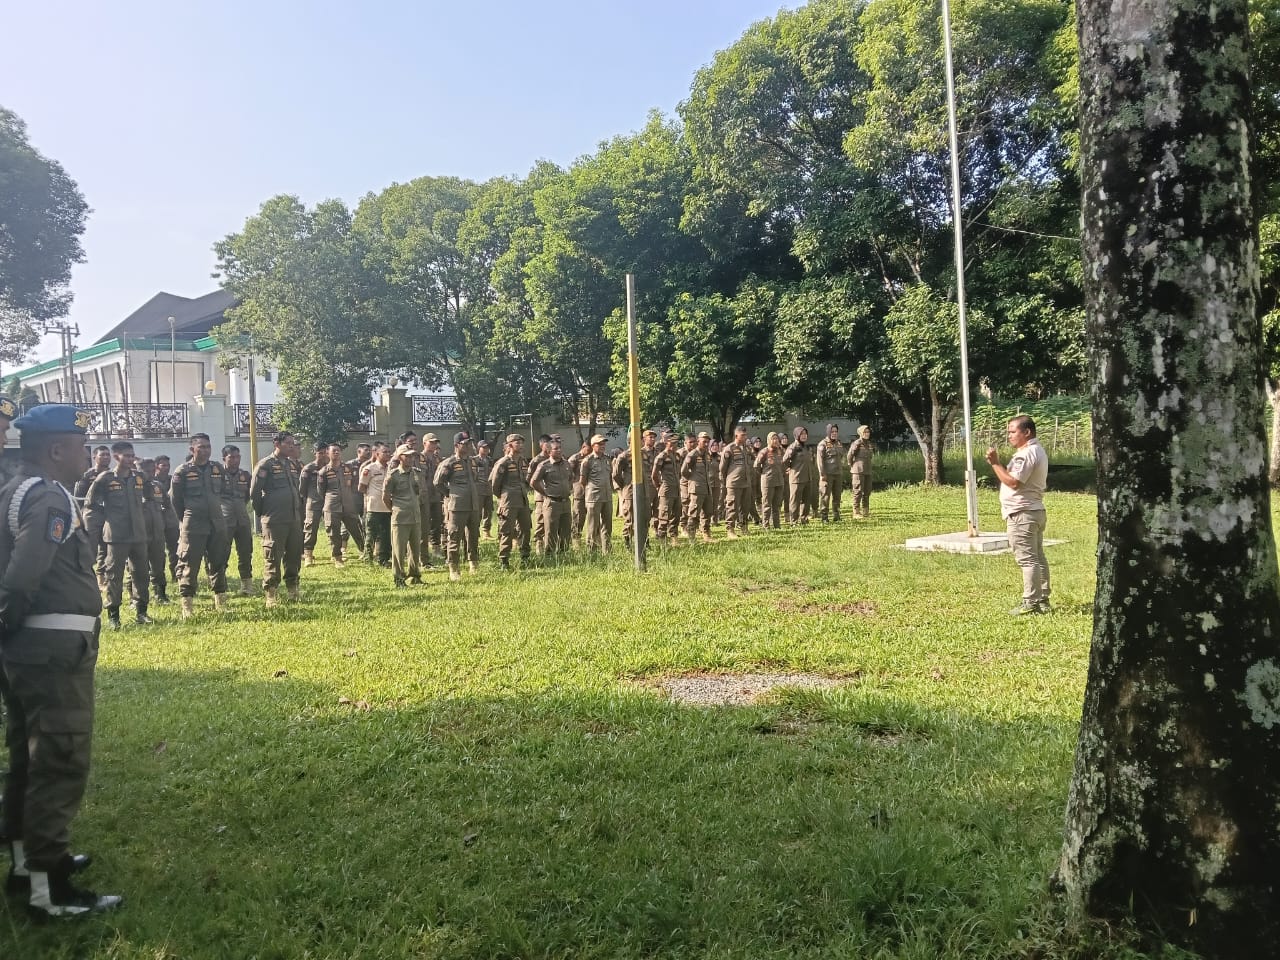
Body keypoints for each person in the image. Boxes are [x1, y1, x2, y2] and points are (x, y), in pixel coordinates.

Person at [0, 404, 122, 916]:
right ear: (55, 450)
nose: (87, 455)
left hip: (30, 649)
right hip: (51, 651)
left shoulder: (15, 488)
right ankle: (47, 892)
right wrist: (8, 624)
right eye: (80, 446)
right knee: (59, 759)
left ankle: (26, 866)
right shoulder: (48, 496)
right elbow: (24, 575)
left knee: (28, 758)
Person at [986, 415, 1051, 616]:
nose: (1009, 436)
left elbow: (1014, 482)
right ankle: (1042, 598)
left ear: (1027, 432)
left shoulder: (1026, 454)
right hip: (1034, 511)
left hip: (1022, 514)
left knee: (1028, 560)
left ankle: (1031, 602)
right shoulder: (1037, 450)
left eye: (1013, 432)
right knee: (1037, 557)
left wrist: (995, 463)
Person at [85, 441, 151, 630]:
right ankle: (114, 615)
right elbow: (91, 504)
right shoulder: (105, 479)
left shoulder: (140, 477)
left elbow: (149, 497)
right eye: (126, 456)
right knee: (114, 575)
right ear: (116, 457)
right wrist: (104, 522)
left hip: (139, 534)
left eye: (132, 456)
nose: (130, 459)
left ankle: (141, 611)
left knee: (141, 574)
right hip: (116, 535)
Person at [171, 433, 231, 617]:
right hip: (193, 523)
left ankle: (220, 600)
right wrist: (186, 519)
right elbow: (176, 500)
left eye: (208, 446)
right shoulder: (182, 471)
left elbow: (223, 492)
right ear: (192, 449)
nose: (205, 450)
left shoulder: (217, 468)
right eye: (201, 447)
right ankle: (187, 604)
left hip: (216, 522)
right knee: (189, 562)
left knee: (218, 561)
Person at [250, 432, 304, 607]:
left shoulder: (291, 465)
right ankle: (271, 593)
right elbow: (255, 493)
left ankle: (293, 589)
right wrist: (264, 513)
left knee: (294, 555)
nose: (291, 446)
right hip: (274, 519)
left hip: (293, 518)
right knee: (273, 556)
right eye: (287, 443)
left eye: (292, 443)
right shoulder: (265, 465)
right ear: (277, 444)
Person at [434, 431, 483, 581]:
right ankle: (453, 567)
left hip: (473, 504)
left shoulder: (472, 462)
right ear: (456, 445)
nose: (468, 446)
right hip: (457, 506)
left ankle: (473, 563)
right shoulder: (449, 463)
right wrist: (450, 494)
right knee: (454, 536)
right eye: (465, 443)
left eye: (470, 443)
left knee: (473, 536)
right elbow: (438, 483)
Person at [317, 444, 365, 568]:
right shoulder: (323, 472)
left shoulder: (348, 468)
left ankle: (365, 552)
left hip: (348, 505)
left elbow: (353, 485)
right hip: (332, 506)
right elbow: (321, 491)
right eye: (334, 451)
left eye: (338, 450)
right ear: (327, 453)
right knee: (334, 533)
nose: (337, 452)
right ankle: (337, 558)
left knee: (357, 529)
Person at [382, 444, 422, 587]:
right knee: (398, 551)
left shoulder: (416, 473)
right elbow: (385, 497)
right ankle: (399, 578)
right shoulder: (393, 476)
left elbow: (418, 493)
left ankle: (414, 576)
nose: (411, 458)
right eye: (407, 456)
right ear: (400, 457)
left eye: (412, 456)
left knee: (415, 549)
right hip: (400, 518)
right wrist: (394, 510)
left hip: (415, 516)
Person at [489, 434, 531, 569]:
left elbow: (525, 481)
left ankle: (525, 558)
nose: (521, 445)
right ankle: (504, 560)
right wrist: (503, 497)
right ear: (509, 445)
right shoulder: (503, 462)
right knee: (506, 531)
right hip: (508, 502)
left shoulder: (523, 461)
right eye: (517, 443)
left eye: (522, 442)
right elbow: (494, 484)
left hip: (523, 501)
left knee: (525, 530)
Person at [73, 445, 111, 587]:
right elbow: (78, 498)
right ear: (94, 457)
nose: (106, 457)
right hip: (92, 514)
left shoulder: (113, 474)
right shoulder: (87, 475)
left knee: (106, 547)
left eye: (108, 454)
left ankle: (102, 577)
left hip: (109, 514)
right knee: (90, 547)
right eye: (102, 455)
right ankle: (85, 577)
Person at [219, 445, 254, 595]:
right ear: (224, 459)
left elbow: (247, 496)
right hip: (224, 521)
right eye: (231, 457)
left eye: (237, 457)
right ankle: (220, 585)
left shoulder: (245, 475)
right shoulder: (217, 476)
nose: (235, 460)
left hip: (242, 520)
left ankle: (246, 585)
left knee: (245, 552)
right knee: (222, 553)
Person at [137, 459, 171, 606]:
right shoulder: (132, 487)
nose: (150, 474)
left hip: (157, 533)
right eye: (146, 471)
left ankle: (160, 594)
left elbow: (167, 505)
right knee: (137, 567)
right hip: (139, 534)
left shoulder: (158, 486)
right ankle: (135, 598)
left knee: (159, 564)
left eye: (152, 471)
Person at [531, 436, 573, 555]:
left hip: (565, 502)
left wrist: (568, 488)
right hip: (552, 503)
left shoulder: (566, 464)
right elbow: (533, 482)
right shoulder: (544, 465)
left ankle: (564, 554)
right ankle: (550, 555)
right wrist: (545, 493)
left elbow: (571, 478)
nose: (559, 450)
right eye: (556, 449)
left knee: (566, 530)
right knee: (551, 530)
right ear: (549, 451)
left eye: (560, 448)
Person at [359, 442, 393, 567]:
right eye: (385, 452)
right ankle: (368, 558)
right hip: (374, 507)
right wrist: (371, 496)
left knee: (385, 535)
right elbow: (361, 487)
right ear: (377, 454)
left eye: (389, 452)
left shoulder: (391, 469)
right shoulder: (370, 469)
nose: (388, 454)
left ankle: (383, 559)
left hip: (388, 507)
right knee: (371, 534)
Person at [579, 434, 613, 553]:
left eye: (604, 444)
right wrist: (590, 491)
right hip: (594, 497)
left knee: (607, 525)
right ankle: (591, 551)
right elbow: (582, 481)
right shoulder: (587, 461)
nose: (603, 446)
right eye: (600, 444)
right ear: (593, 446)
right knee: (593, 526)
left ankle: (606, 550)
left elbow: (610, 477)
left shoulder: (607, 459)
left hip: (607, 497)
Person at [680, 432, 714, 543]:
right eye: (704, 441)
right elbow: (683, 471)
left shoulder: (707, 454)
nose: (706, 444)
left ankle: (706, 534)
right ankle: (692, 537)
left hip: (707, 487)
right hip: (696, 488)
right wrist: (692, 478)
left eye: (707, 442)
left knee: (708, 512)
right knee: (694, 513)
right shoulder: (693, 454)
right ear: (698, 441)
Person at [719, 425, 753, 539]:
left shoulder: (746, 448)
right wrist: (726, 481)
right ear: (736, 435)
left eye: (746, 435)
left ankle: (743, 527)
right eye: (742, 435)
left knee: (745, 506)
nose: (745, 437)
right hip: (734, 483)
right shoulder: (729, 449)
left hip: (746, 482)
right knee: (732, 506)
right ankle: (730, 529)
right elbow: (722, 468)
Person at [298, 442, 328, 567]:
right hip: (313, 501)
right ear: (315, 453)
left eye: (325, 453)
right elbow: (302, 489)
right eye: (320, 453)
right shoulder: (308, 469)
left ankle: (336, 554)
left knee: (333, 527)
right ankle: (308, 555)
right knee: (310, 528)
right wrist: (311, 497)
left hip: (328, 501)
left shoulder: (330, 467)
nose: (323, 455)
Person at [651, 432, 681, 543]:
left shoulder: (677, 456)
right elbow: (654, 475)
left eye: (676, 443)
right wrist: (658, 486)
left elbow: (679, 472)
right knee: (664, 514)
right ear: (666, 443)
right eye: (672, 443)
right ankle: (662, 538)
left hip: (676, 489)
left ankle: (674, 537)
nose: (674, 445)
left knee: (676, 514)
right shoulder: (661, 456)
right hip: (666, 489)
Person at [154, 454, 180, 582]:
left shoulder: (173, 480)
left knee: (174, 549)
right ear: (156, 466)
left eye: (168, 465)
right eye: (163, 465)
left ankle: (176, 575)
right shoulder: (151, 481)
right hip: (155, 520)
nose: (166, 468)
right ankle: (159, 576)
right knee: (158, 551)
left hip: (171, 519)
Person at [782, 426, 813, 526]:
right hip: (797, 478)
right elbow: (785, 460)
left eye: (805, 434)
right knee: (795, 501)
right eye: (801, 434)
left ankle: (804, 519)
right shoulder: (793, 447)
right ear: (796, 435)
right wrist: (789, 467)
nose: (804, 436)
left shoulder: (805, 447)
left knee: (806, 500)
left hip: (807, 477)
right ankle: (794, 521)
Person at [527, 434, 552, 554]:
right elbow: (529, 479)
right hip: (541, 496)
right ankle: (539, 543)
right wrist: (541, 489)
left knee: (552, 521)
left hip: (553, 495)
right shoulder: (536, 460)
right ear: (542, 445)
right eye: (548, 443)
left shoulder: (554, 458)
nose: (550, 446)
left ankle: (550, 545)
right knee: (541, 521)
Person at [756, 432, 786, 529]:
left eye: (777, 438)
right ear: (769, 440)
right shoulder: (764, 452)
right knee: (767, 504)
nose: (776, 441)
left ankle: (777, 525)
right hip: (768, 481)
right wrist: (764, 473)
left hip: (779, 481)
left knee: (777, 505)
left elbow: (784, 464)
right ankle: (766, 525)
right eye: (773, 439)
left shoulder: (781, 451)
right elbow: (756, 465)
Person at [817, 424, 845, 522]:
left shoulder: (839, 443)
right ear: (828, 432)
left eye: (836, 432)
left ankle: (836, 515)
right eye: (832, 432)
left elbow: (841, 456)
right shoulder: (823, 444)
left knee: (837, 495)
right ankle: (824, 517)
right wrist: (822, 474)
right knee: (825, 495)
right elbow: (820, 461)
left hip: (838, 473)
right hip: (827, 474)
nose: (834, 433)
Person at [848, 425, 875, 518]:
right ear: (860, 433)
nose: (867, 434)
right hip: (858, 471)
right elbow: (850, 455)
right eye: (865, 432)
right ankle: (856, 512)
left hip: (867, 470)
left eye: (868, 432)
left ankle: (865, 511)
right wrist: (852, 465)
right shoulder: (857, 443)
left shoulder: (869, 444)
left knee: (867, 491)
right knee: (858, 491)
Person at [475, 439, 495, 539]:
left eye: (487, 447)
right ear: (479, 448)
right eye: (484, 447)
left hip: (488, 489)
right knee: (477, 512)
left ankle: (486, 532)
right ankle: (475, 531)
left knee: (488, 511)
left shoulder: (490, 460)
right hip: (478, 490)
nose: (486, 449)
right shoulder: (474, 460)